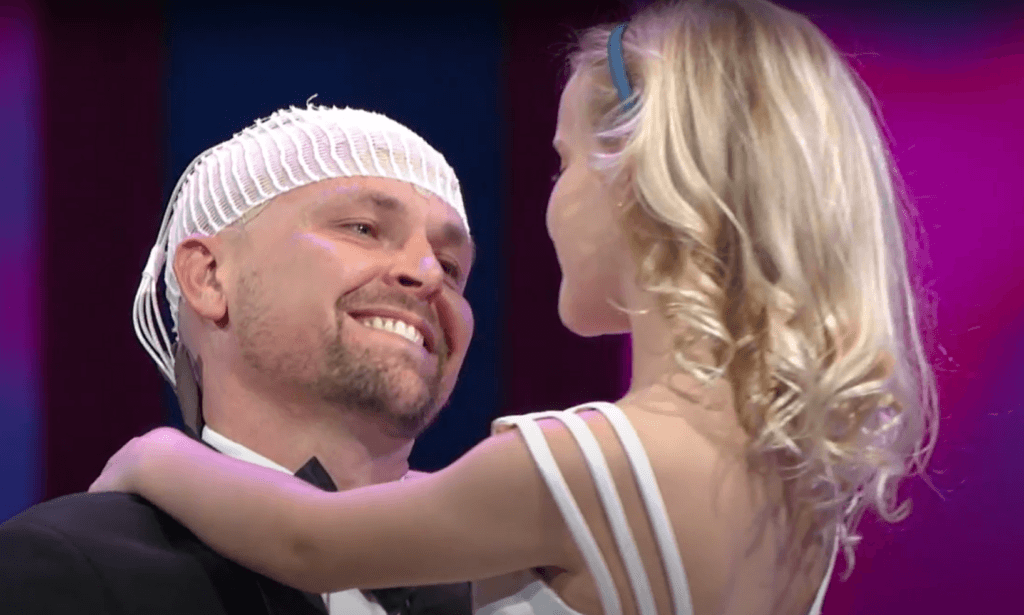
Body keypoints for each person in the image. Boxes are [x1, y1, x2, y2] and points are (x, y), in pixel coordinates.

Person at [87, 1, 940, 614]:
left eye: (563, 162)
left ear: (642, 183)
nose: (426, 276)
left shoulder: (579, 463)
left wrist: (151, 455)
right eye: (362, 228)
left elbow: (311, 540)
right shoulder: (791, 499)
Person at [0, 104, 477, 615]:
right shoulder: (70, 567)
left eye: (451, 266)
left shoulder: (510, 580)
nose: (429, 273)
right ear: (208, 278)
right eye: (362, 228)